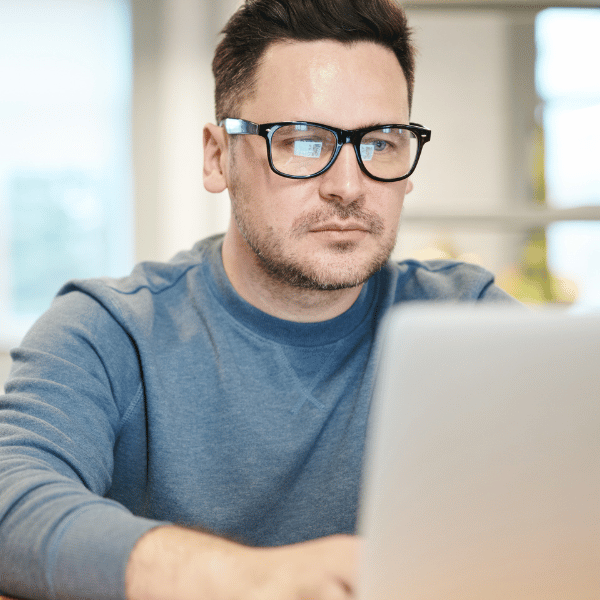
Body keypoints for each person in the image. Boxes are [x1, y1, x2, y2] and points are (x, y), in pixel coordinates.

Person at [0, 1, 519, 599]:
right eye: (301, 141)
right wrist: (245, 577)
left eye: (380, 143)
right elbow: (12, 496)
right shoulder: (110, 331)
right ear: (219, 156)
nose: (347, 186)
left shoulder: (469, 320)